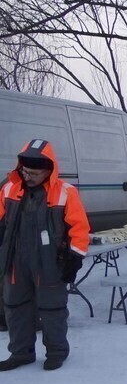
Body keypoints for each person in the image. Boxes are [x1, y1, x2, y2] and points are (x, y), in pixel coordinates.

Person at [0, 139, 90, 371]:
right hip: (15, 260)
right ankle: (21, 353)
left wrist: (74, 258)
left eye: (34, 173)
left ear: (49, 170)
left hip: (50, 261)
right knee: (15, 306)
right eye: (25, 171)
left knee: (52, 308)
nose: (28, 176)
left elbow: (79, 228)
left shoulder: (66, 192)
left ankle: (56, 352)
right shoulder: (9, 189)